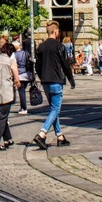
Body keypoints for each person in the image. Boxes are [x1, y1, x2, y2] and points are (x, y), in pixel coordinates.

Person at [32, 21, 75, 149]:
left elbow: (37, 66)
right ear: (55, 31)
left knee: (53, 110)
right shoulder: (60, 46)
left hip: (45, 82)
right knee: (55, 109)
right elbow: (65, 64)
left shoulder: (40, 47)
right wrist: (71, 79)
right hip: (56, 81)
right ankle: (42, 133)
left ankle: (60, 136)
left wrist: (42, 77)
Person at [0, 41, 19, 149]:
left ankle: (7, 139)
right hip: (5, 92)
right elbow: (16, 77)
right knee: (2, 117)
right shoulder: (11, 61)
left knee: (1, 115)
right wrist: (17, 82)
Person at [13, 39, 33, 114]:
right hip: (27, 74)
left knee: (21, 92)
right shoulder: (25, 52)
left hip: (20, 75)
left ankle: (24, 108)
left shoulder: (14, 55)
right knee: (23, 90)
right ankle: (23, 107)